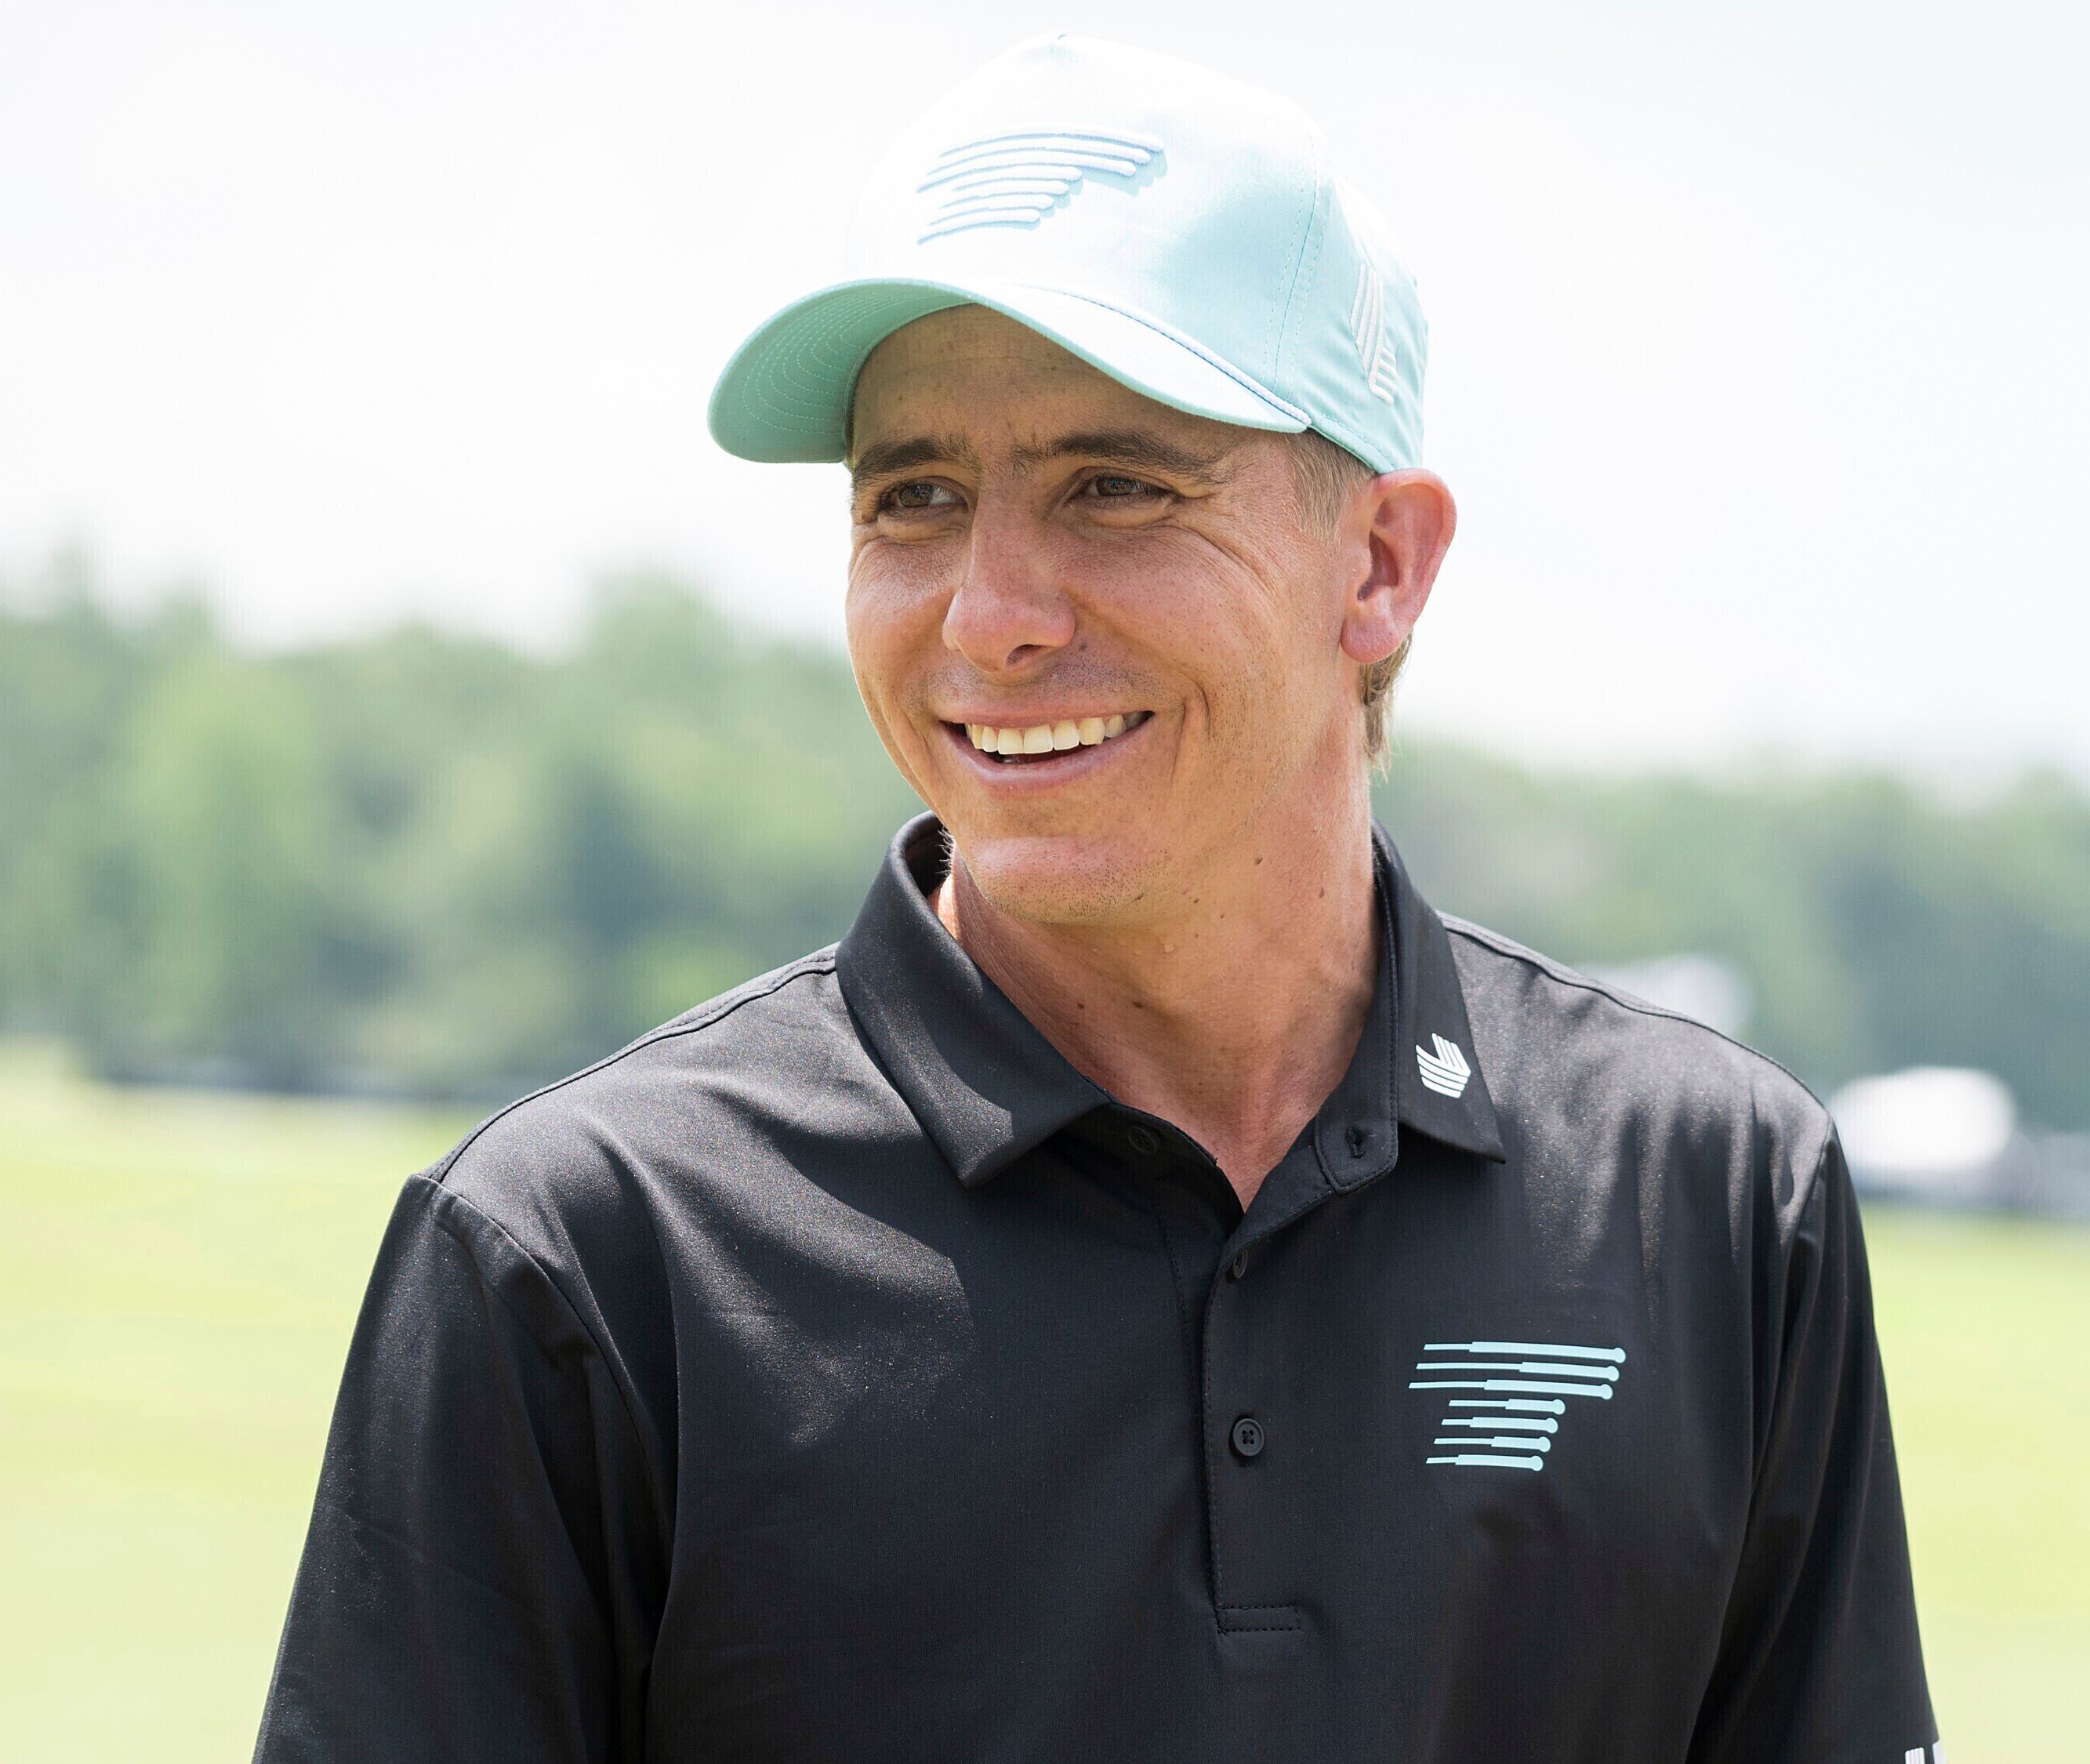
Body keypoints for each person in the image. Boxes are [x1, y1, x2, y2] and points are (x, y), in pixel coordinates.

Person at [254, 34, 1937, 1764]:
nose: (987, 613)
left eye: (1113, 487)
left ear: (1377, 565)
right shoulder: (579, 1254)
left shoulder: (1713, 1199)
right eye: (911, 496)